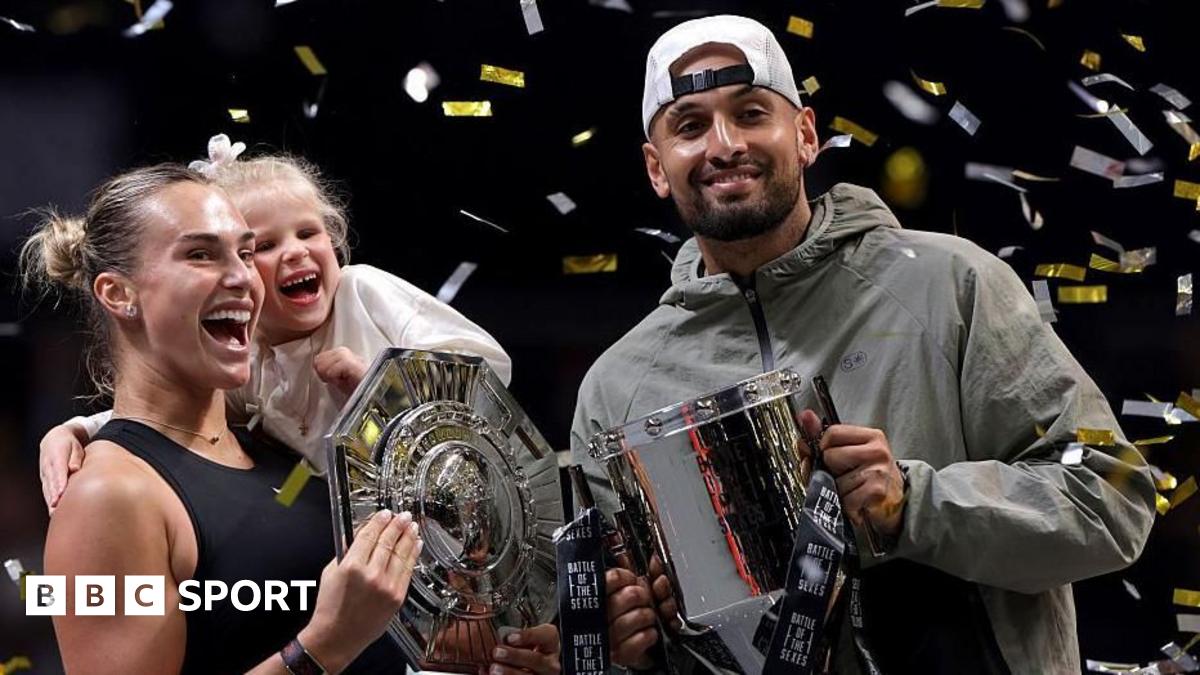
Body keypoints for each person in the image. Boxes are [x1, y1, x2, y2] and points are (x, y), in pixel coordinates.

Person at [569, 15, 1156, 674]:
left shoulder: (953, 285)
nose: (725, 143)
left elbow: (1116, 498)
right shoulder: (616, 389)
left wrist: (915, 503)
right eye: (690, 125)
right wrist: (623, 643)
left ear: (806, 134)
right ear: (656, 167)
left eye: (752, 111)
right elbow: (622, 635)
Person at [22, 164, 422, 674]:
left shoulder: (272, 446)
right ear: (118, 294)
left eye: (246, 253)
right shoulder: (107, 498)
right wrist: (324, 646)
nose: (243, 277)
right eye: (200, 254)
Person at [39, 135, 512, 495]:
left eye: (308, 232)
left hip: (464, 510)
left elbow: (489, 367)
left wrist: (380, 387)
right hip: (360, 549)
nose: (295, 253)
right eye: (263, 247)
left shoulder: (362, 291)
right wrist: (81, 428)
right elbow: (178, 416)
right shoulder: (244, 358)